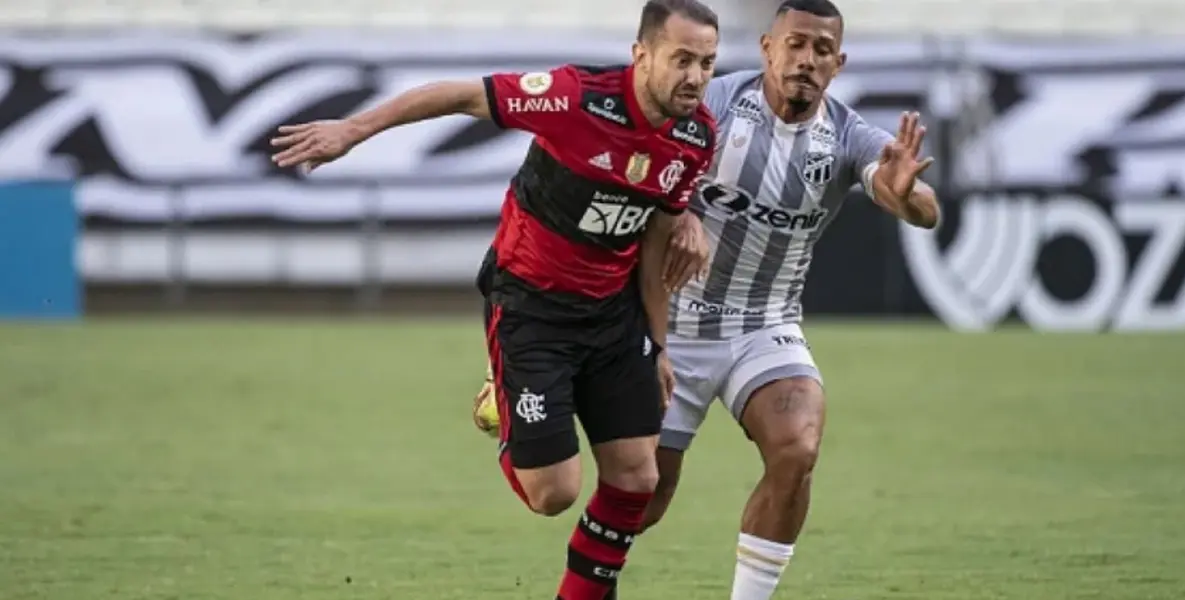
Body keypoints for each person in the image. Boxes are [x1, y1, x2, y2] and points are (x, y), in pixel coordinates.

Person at [473, 1, 941, 598]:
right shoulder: (713, 101)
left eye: (822, 50)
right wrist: (682, 215)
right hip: (674, 318)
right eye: (795, 44)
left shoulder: (847, 136)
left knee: (797, 445)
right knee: (644, 494)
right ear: (768, 47)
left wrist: (907, 197)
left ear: (839, 63)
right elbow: (644, 169)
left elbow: (915, 198)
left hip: (763, 324)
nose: (806, 60)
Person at [272, 1, 719, 599]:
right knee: (553, 493)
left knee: (638, 478)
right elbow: (459, 96)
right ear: (642, 55)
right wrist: (353, 131)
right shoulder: (573, 97)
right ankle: (503, 397)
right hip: (532, 304)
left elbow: (657, 236)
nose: (695, 76)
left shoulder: (695, 137)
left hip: (613, 313)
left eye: (708, 63)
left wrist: (658, 344)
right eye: (682, 59)